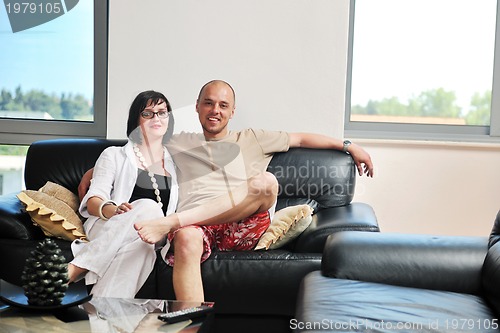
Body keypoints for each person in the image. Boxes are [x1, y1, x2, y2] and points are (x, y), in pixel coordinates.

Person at [79, 80, 374, 302]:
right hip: (197, 226)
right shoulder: (178, 142)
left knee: (267, 182)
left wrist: (349, 146)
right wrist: (93, 174)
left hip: (243, 225)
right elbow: (136, 151)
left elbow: (301, 138)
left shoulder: (254, 138)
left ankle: (171, 222)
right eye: (208, 103)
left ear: (233, 111)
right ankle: (190, 323)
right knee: (185, 239)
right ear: (197, 107)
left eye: (222, 105)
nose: (215, 110)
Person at [68, 90, 179, 298]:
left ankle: (93, 310)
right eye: (148, 113)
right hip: (110, 228)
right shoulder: (113, 155)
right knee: (148, 213)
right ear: (136, 120)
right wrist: (114, 211)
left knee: (145, 241)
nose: (156, 118)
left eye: (162, 112)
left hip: (154, 237)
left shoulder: (177, 164)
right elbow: (93, 201)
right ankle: (101, 315)